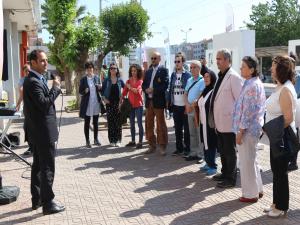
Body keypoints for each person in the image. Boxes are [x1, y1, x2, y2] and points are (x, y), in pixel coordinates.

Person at [23, 49, 65, 215]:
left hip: (40, 131)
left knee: (39, 166)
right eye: (42, 61)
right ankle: (48, 203)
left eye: (46, 60)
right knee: (47, 167)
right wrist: (56, 88)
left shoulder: (37, 78)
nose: (45, 63)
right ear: (33, 62)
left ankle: (38, 199)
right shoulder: (32, 81)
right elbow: (44, 103)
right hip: (42, 131)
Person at [264, 55, 297, 217]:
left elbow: (288, 117)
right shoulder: (281, 86)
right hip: (276, 137)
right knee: (276, 172)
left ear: (281, 69)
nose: (271, 69)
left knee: (280, 173)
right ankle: (276, 203)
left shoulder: (285, 90)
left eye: (273, 65)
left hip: (281, 138)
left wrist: (270, 128)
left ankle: (281, 206)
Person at [232, 56, 265, 202]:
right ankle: (257, 189)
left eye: (243, 66)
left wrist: (240, 131)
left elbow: (248, 112)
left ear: (251, 69)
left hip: (248, 130)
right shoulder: (251, 82)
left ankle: (250, 194)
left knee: (246, 163)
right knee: (252, 160)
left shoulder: (252, 85)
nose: (240, 69)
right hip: (251, 129)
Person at [209, 48, 243, 188]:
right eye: (216, 59)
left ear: (228, 60)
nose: (217, 61)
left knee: (230, 151)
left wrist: (238, 122)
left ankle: (231, 178)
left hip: (229, 122)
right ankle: (224, 173)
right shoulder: (221, 76)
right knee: (222, 150)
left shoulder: (233, 77)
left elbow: (240, 101)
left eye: (220, 59)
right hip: (219, 121)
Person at [142, 51, 169, 156]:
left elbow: (165, 85)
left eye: (155, 58)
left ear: (159, 59)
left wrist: (153, 90)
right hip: (149, 102)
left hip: (158, 101)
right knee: (149, 124)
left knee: (160, 124)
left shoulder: (163, 70)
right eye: (152, 58)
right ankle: (151, 145)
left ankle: (162, 146)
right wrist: (146, 90)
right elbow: (143, 85)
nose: (153, 60)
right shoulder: (148, 72)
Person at [167, 53, 191, 156]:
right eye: (175, 61)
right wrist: (169, 102)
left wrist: (188, 105)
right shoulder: (173, 75)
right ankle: (179, 148)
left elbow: (189, 91)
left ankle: (187, 148)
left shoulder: (187, 75)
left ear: (183, 62)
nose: (177, 63)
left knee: (186, 129)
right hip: (175, 105)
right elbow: (170, 89)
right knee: (177, 129)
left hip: (185, 106)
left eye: (179, 61)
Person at [184, 60, 205, 161]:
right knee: (191, 132)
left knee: (199, 132)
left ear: (199, 68)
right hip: (189, 109)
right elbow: (185, 93)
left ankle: (201, 154)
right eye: (191, 67)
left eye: (194, 67)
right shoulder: (189, 80)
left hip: (198, 110)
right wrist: (187, 104)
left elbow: (201, 95)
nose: (191, 69)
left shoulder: (202, 80)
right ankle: (193, 152)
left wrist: (193, 104)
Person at [198, 70, 218, 175]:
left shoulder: (213, 92)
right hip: (203, 123)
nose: (205, 79)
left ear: (212, 78)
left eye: (208, 77)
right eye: (204, 77)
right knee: (205, 143)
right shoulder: (204, 91)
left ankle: (213, 166)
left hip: (210, 124)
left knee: (210, 144)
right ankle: (208, 162)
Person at [79, 62, 102, 148]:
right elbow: (80, 92)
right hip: (87, 103)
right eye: (88, 68)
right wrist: (84, 91)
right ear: (86, 69)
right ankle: (87, 141)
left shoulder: (96, 77)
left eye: (91, 68)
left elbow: (100, 89)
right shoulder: (83, 79)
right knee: (87, 122)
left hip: (96, 102)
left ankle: (96, 139)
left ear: (93, 69)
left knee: (96, 122)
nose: (90, 69)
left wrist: (100, 87)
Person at [121, 64, 144, 149]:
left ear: (138, 71)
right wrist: (121, 100)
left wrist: (129, 87)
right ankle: (133, 141)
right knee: (132, 124)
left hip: (139, 105)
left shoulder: (140, 81)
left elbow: (136, 91)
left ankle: (140, 142)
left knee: (139, 124)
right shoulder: (128, 81)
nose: (133, 72)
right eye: (132, 71)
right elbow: (124, 93)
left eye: (135, 71)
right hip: (130, 106)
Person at [102, 63, 125, 147]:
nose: (113, 70)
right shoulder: (106, 80)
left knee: (118, 122)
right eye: (111, 68)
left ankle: (118, 140)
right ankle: (112, 140)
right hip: (109, 103)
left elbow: (125, 89)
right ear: (109, 70)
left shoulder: (120, 80)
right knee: (111, 122)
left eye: (115, 68)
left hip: (118, 104)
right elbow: (102, 91)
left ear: (117, 70)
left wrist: (122, 98)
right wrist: (104, 99)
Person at [15, 64, 33, 156]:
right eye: (26, 71)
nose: (28, 72)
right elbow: (21, 95)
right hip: (27, 108)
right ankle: (31, 146)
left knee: (33, 127)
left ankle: (34, 147)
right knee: (26, 127)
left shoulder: (35, 79)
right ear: (23, 72)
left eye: (29, 70)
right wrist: (17, 105)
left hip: (35, 108)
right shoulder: (22, 81)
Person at [288, 52, 299, 171]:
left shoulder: (297, 77)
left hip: (296, 110)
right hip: (290, 110)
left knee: (294, 136)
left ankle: (294, 161)